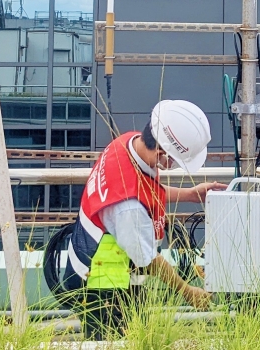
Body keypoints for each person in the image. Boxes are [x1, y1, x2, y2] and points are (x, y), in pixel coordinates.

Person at [61, 99, 225, 338]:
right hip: (102, 285)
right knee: (110, 341)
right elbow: (147, 258)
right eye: (174, 163)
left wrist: (189, 195)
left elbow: (145, 189)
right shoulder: (128, 208)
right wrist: (187, 291)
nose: (172, 167)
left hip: (107, 267)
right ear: (161, 154)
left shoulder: (128, 143)